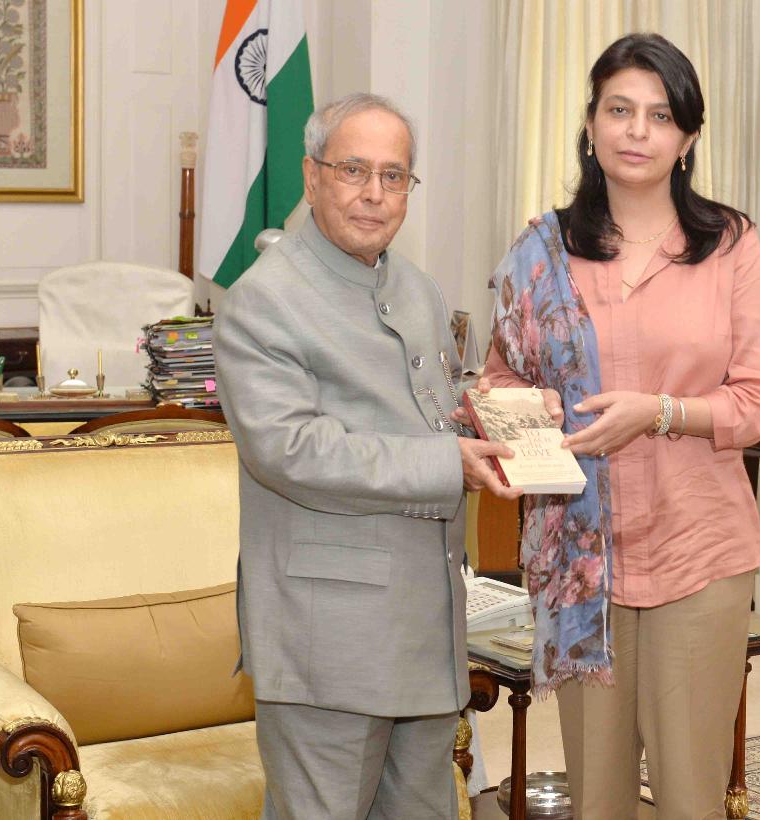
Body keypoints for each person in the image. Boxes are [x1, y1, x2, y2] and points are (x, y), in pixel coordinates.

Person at [477, 33, 760, 819]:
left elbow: (757, 404)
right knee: (598, 797)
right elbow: (497, 381)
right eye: (619, 110)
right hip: (585, 563)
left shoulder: (730, 245)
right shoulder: (543, 251)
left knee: (689, 794)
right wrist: (532, 411)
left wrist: (662, 414)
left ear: (687, 139)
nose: (637, 131)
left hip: (699, 552)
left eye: (660, 115)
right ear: (591, 125)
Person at [214, 93, 518, 820]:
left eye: (394, 175)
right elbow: (290, 450)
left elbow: (430, 406)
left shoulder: (414, 287)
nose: (375, 193)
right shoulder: (264, 300)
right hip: (330, 640)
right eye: (354, 170)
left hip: (425, 626)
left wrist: (501, 413)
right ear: (311, 176)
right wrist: (448, 463)